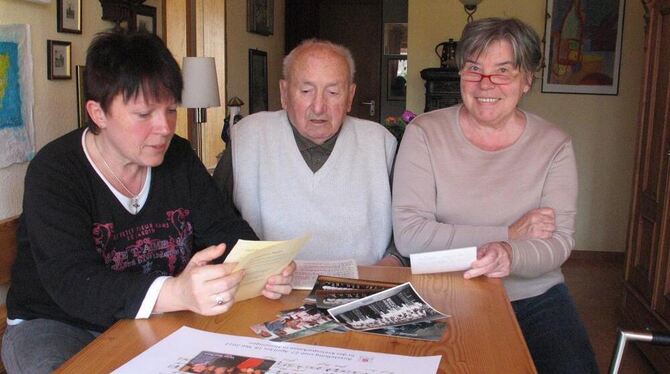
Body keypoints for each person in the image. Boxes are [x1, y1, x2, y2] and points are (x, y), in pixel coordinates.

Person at [1, 31, 294, 373]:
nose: (165, 127)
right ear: (98, 113)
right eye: (144, 114)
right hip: (59, 324)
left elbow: (223, 228)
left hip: (156, 316)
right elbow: (73, 282)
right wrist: (176, 293)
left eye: (170, 110)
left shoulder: (178, 156)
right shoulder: (56, 171)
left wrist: (263, 265)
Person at [392, 18, 598, 373]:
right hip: (442, 290)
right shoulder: (425, 133)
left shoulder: (554, 145)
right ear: (461, 75)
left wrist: (509, 254)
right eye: (474, 69)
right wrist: (509, 234)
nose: (486, 84)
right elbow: (411, 236)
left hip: (533, 295)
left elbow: (558, 243)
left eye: (503, 71)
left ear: (526, 80)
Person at [213, 39, 402, 266]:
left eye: (333, 92)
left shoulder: (380, 144)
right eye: (306, 91)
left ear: (350, 96)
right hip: (268, 290)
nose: (319, 106)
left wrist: (391, 263)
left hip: (363, 288)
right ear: (284, 93)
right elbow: (214, 224)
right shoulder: (248, 138)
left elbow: (407, 228)